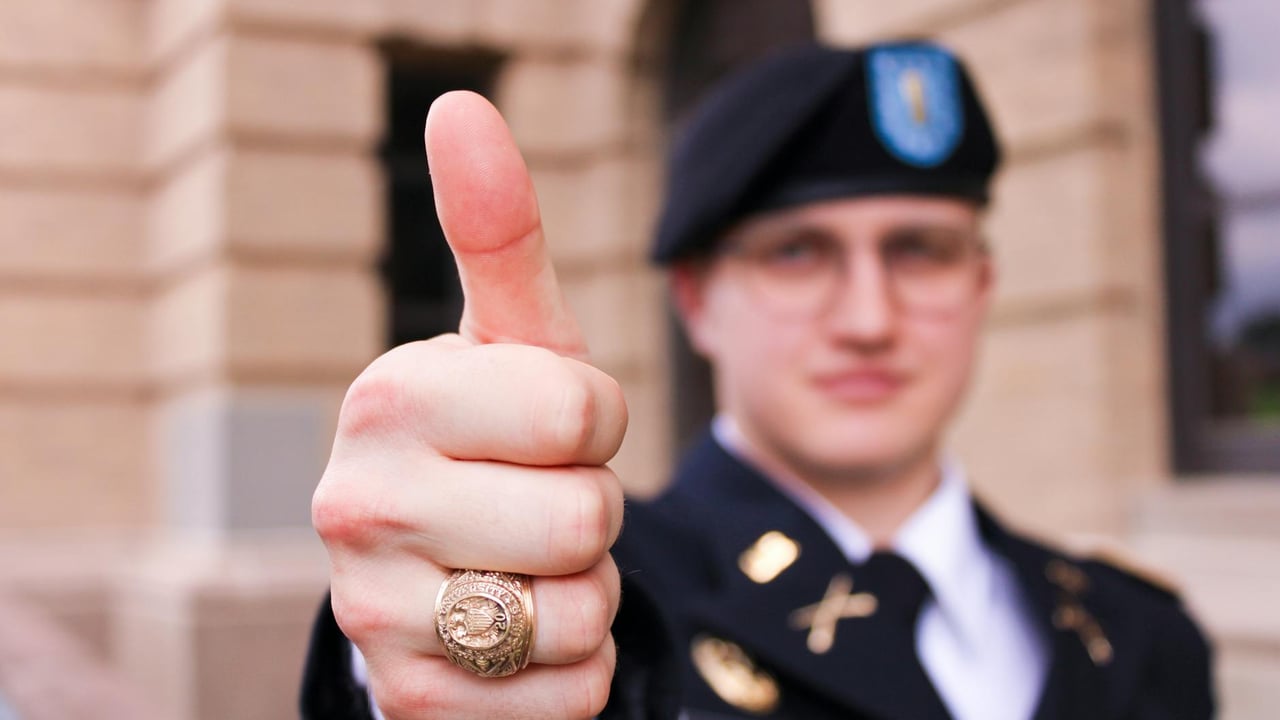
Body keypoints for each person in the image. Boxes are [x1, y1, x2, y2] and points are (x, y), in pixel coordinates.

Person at [300, 42, 1215, 720]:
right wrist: (414, 668)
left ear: (981, 285)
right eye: (797, 253)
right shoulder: (601, 598)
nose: (869, 319)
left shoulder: (1138, 630)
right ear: (696, 301)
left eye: (922, 251)